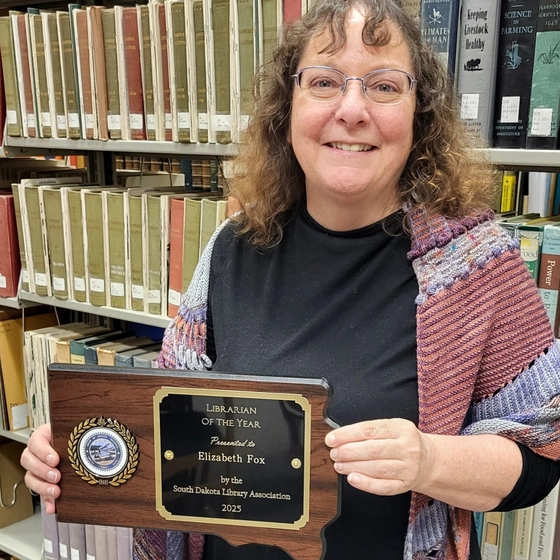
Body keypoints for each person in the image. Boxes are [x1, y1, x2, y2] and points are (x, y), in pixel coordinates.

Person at [21, 0, 560, 558]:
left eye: (383, 86)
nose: (351, 110)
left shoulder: (479, 266)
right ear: (288, 107)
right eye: (324, 81)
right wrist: (76, 449)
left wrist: (429, 460)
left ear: (420, 112)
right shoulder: (231, 249)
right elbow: (165, 430)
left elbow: (542, 453)